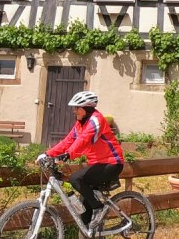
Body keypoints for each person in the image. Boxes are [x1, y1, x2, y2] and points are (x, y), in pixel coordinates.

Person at [36, 91, 124, 233]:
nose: (74, 111)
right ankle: (94, 231)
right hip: (96, 164)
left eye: (77, 108)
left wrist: (68, 155)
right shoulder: (80, 124)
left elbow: (84, 141)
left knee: (75, 178)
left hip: (112, 163)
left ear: (86, 108)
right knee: (85, 211)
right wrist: (47, 154)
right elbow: (68, 141)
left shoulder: (96, 120)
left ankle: (99, 208)